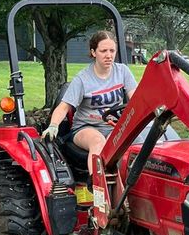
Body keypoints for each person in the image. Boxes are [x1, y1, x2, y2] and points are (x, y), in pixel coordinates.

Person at [41, 31, 137, 165]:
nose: (109, 55)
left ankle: (124, 185)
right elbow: (63, 107)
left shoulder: (123, 72)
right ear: (93, 52)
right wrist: (53, 126)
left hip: (115, 126)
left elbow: (136, 100)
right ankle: (96, 184)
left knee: (124, 146)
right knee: (98, 143)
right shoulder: (82, 79)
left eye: (112, 51)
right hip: (86, 128)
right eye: (103, 51)